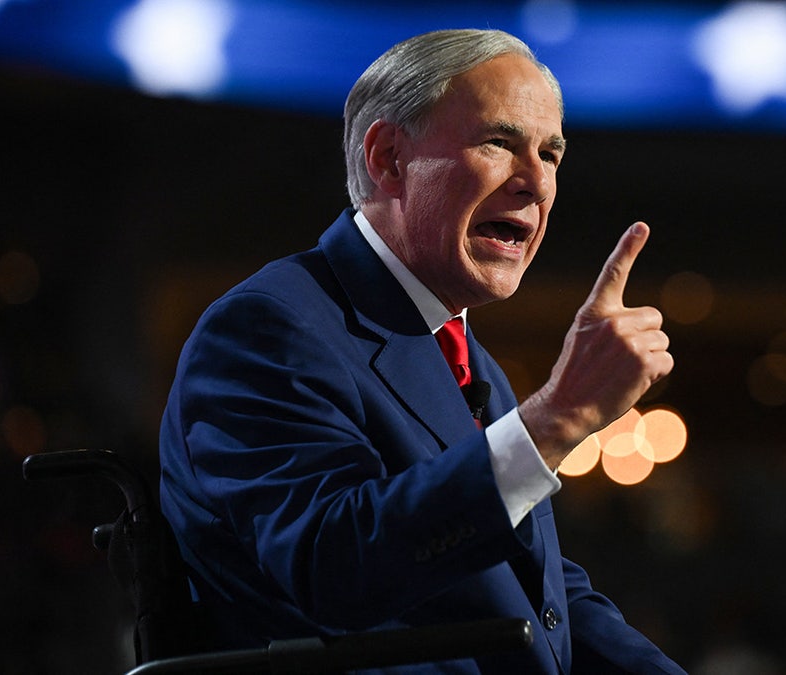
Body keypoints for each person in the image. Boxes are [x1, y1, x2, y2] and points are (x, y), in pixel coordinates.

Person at [159, 28, 683, 673]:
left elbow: (535, 592)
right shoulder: (266, 329)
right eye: (500, 142)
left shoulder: (464, 354)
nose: (537, 184)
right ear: (387, 158)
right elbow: (332, 567)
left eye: (550, 155)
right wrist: (558, 417)